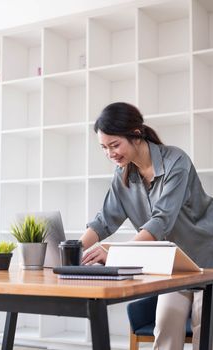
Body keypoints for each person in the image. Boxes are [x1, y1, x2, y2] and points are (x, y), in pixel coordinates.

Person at [80, 102, 213, 350]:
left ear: (136, 135)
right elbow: (104, 220)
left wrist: (114, 252)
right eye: (104, 148)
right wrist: (72, 249)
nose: (110, 153)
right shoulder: (122, 175)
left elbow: (160, 221)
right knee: (165, 328)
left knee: (202, 334)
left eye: (114, 145)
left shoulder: (176, 162)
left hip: (207, 260)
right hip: (174, 266)